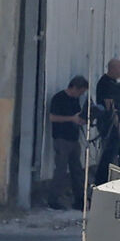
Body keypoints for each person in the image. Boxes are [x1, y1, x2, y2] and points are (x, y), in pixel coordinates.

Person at [47, 75, 89, 210]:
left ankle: (79, 200)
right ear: (74, 88)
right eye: (80, 92)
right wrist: (71, 119)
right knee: (60, 170)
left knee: (77, 170)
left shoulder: (75, 101)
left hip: (74, 139)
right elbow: (52, 117)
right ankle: (53, 199)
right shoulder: (59, 98)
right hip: (61, 139)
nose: (80, 95)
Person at [93, 58, 120, 186]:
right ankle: (101, 181)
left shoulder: (114, 83)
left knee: (114, 153)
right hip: (109, 124)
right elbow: (110, 107)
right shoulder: (105, 83)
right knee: (108, 154)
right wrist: (119, 127)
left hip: (115, 122)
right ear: (112, 68)